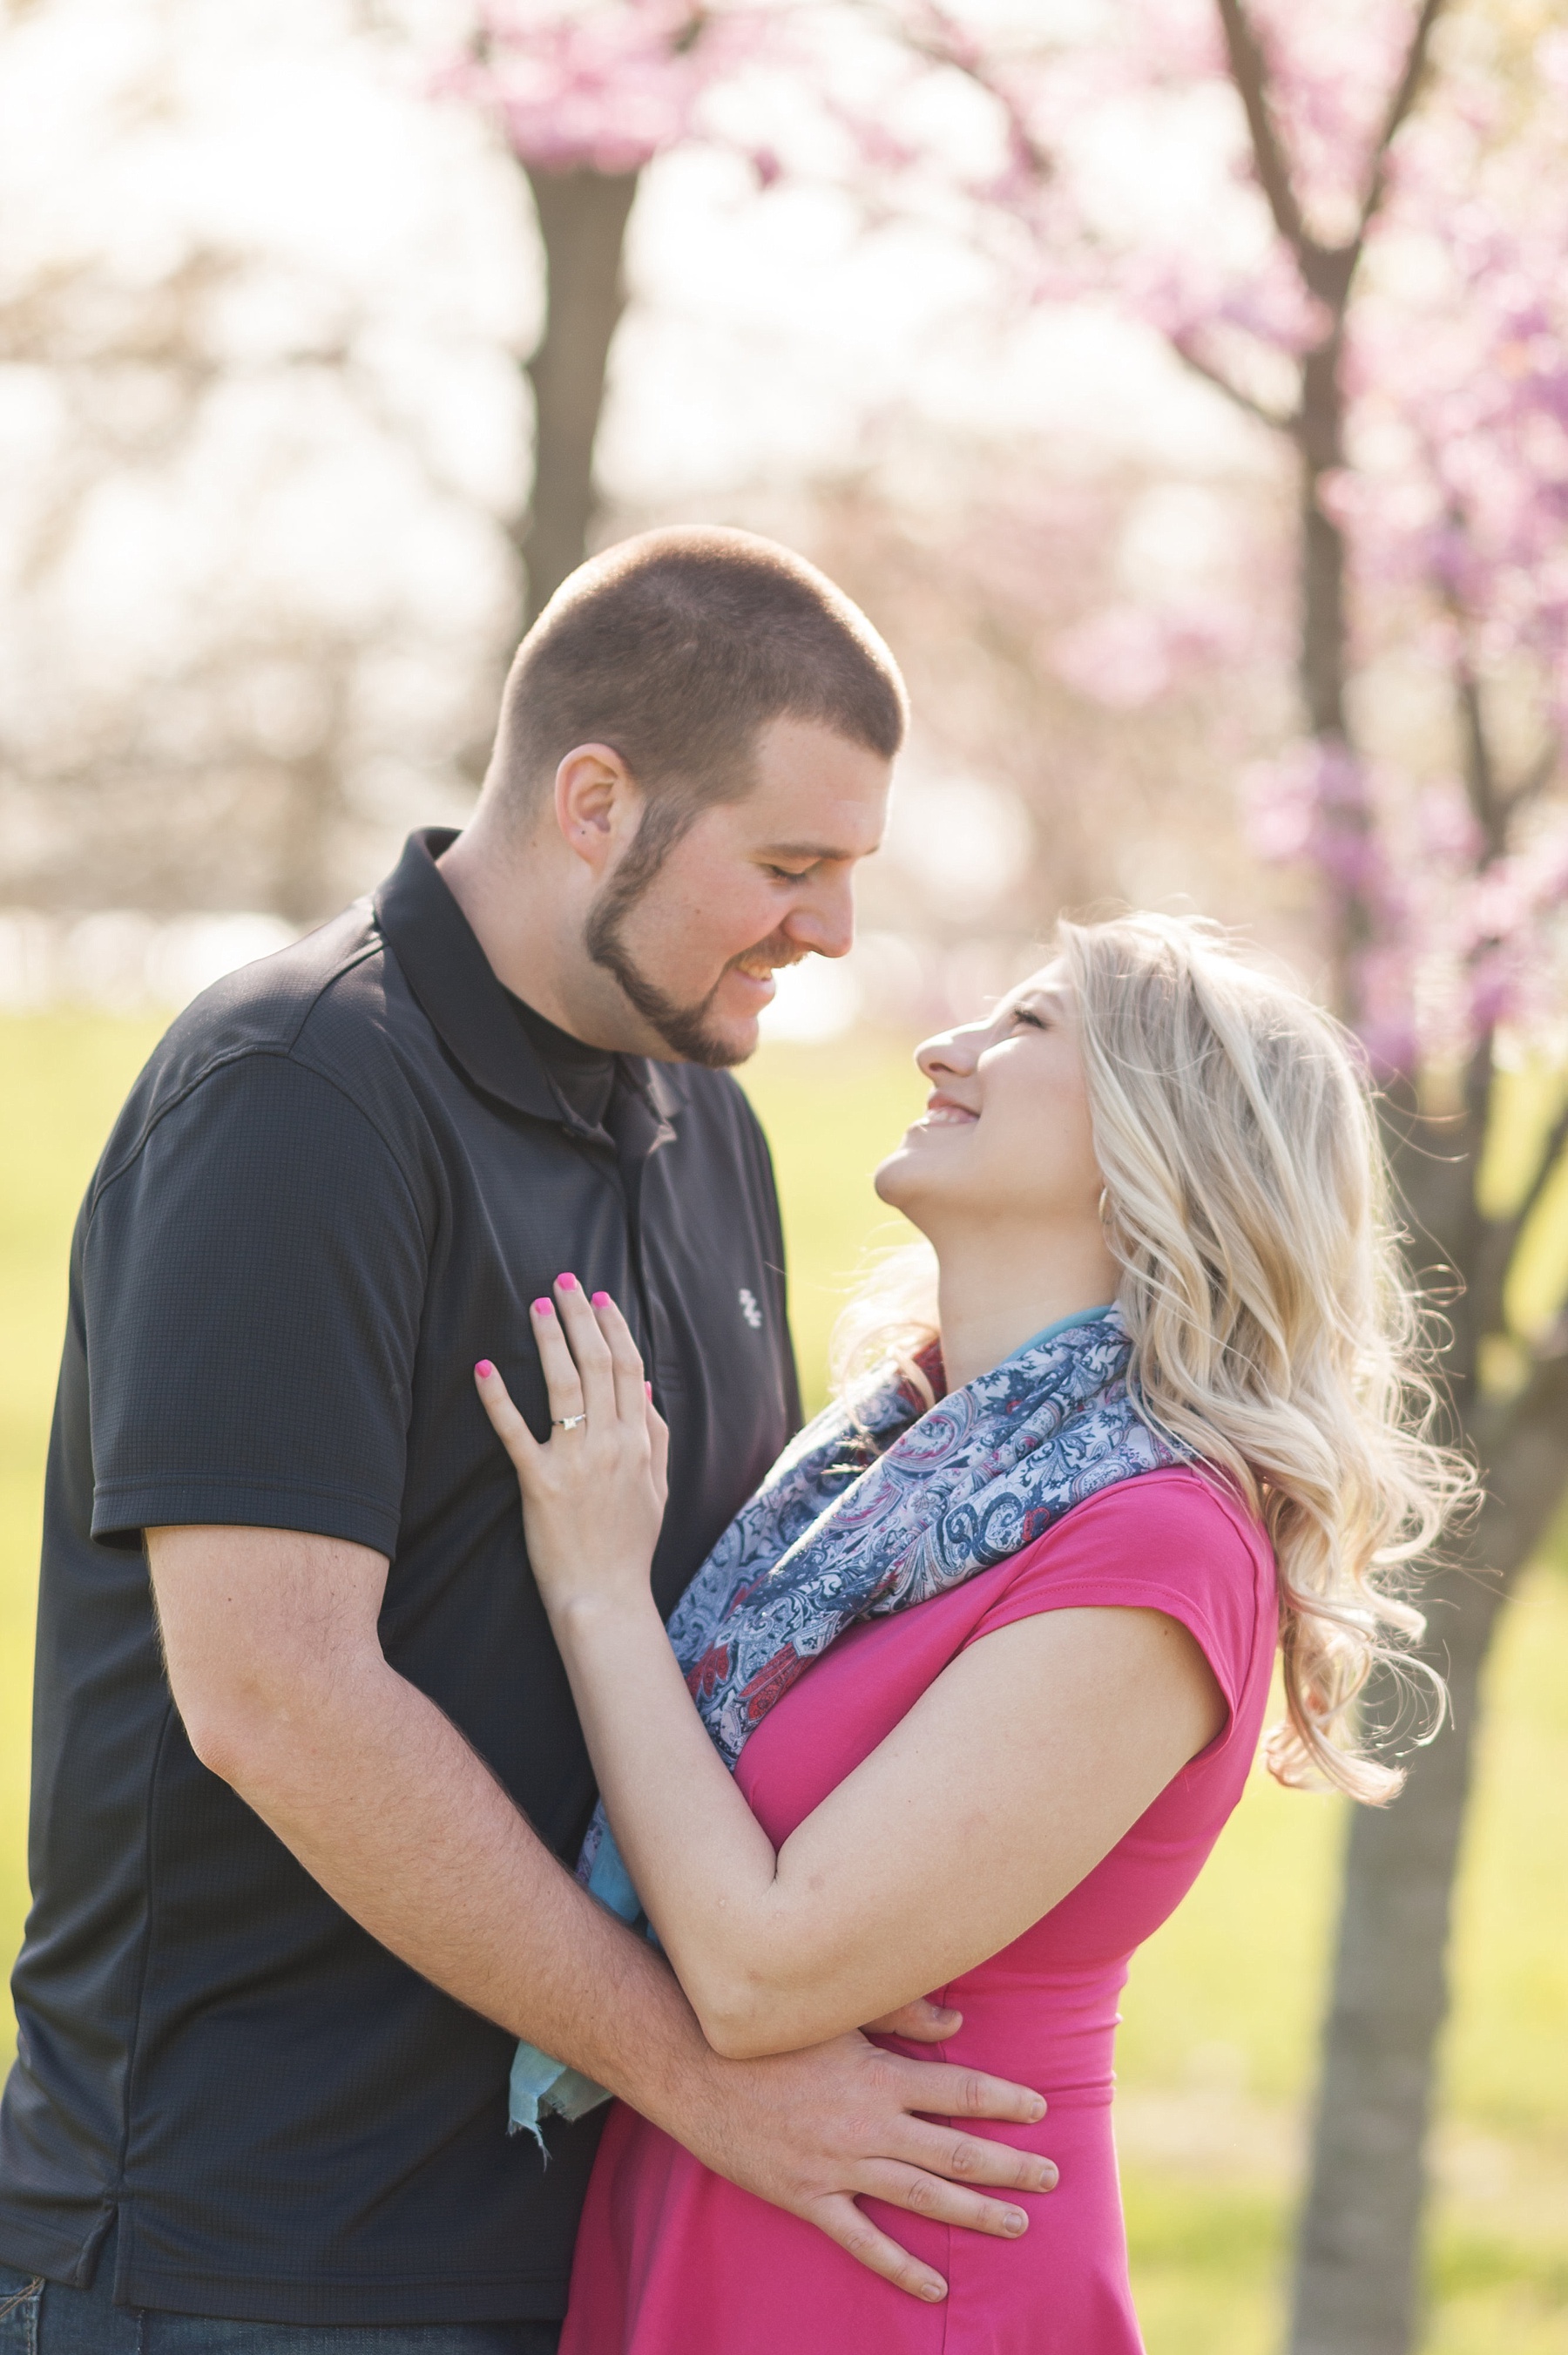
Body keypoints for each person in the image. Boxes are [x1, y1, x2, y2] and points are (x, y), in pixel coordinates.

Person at [0, 529, 1056, 2352]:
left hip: (587, 2252)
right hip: (241, 2263)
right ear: (595, 800)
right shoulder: (300, 1088)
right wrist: (700, 2071)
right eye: (790, 864)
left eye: (852, 870)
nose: (836, 932)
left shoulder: (701, 1123)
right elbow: (274, 1694)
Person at [473, 912, 1470, 2353]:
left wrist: (596, 1590)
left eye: (1030, 1025)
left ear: (1163, 1140)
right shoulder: (892, 1465)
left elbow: (761, 1971)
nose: (946, 1045)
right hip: (715, 2214)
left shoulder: (1160, 1541)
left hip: (906, 2275)